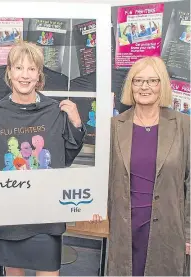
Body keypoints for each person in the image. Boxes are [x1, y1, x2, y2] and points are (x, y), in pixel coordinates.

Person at [0, 41, 86, 276]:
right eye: (19, 68)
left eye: (31, 69)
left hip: (45, 214)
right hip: (9, 214)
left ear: (39, 74)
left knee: (49, 270)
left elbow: (66, 157)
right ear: (9, 72)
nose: (25, 75)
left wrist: (76, 124)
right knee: (13, 272)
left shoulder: (55, 112)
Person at [91, 56, 190, 276]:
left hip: (168, 229)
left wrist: (189, 232)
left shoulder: (184, 125)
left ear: (162, 85)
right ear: (131, 85)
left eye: (152, 81)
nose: (144, 87)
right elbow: (103, 175)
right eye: (138, 81)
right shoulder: (115, 126)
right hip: (125, 227)